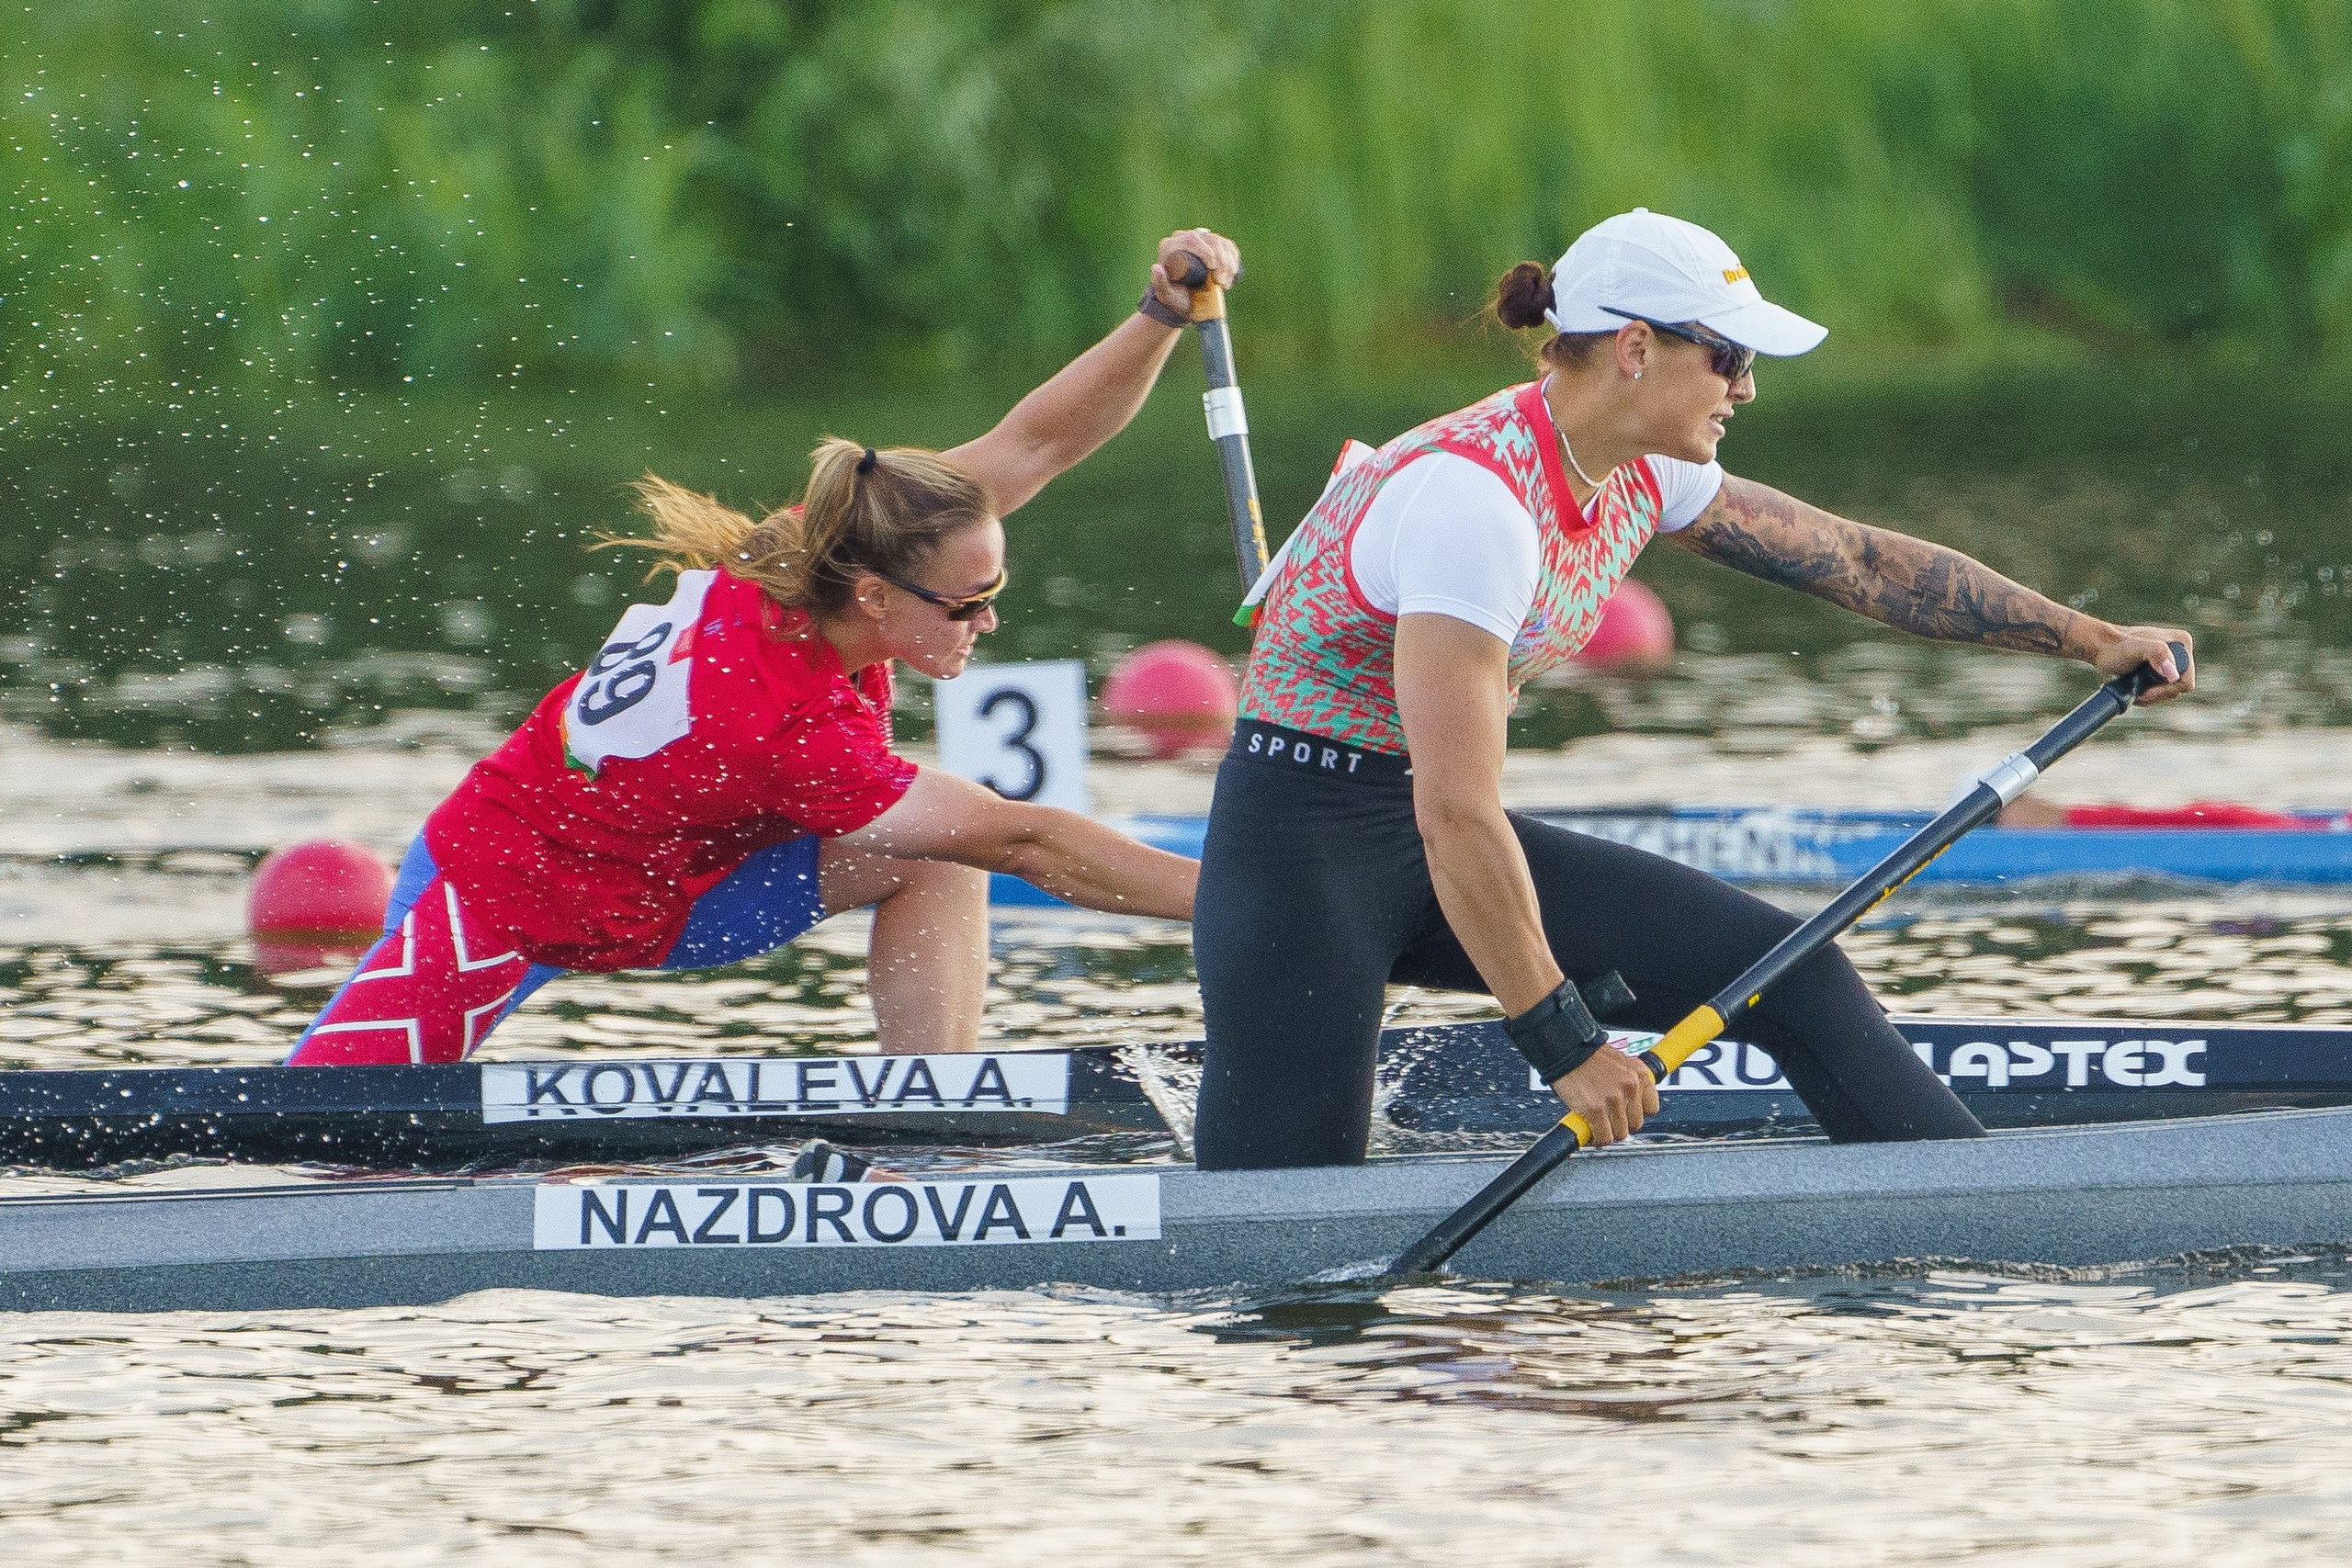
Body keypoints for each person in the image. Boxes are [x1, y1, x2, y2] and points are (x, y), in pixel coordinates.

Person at [1192, 208, 2194, 1170]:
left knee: (1788, 969)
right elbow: (1455, 813)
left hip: (1427, 832)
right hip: (1300, 856)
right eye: (1728, 358)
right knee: (1283, 1220)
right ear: (1634, 349)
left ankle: (1972, 1214)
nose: (1745, 388)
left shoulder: (1638, 464)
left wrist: (2091, 639)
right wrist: (1566, 1047)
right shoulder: (1472, 505)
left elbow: (1856, 561)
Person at [288, 229, 1239, 1066]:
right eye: (967, 603)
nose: (986, 620)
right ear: (875, 596)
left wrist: (1157, 313)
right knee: (311, 1133)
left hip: (681, 873)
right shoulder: (782, 721)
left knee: (939, 854)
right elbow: (1032, 840)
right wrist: (1255, 901)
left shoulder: (816, 544)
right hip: (507, 886)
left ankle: (932, 1123)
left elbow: (1034, 444)